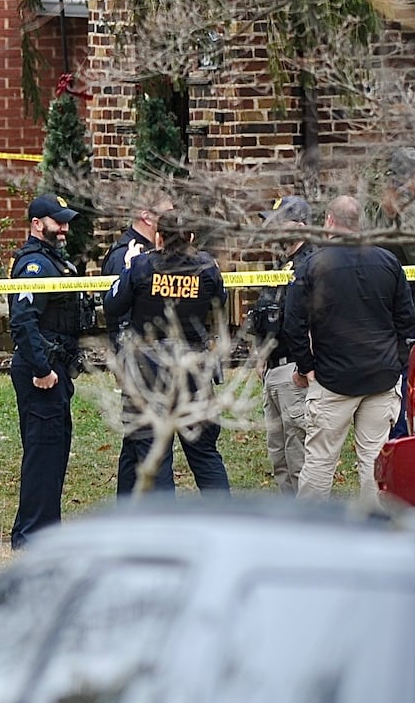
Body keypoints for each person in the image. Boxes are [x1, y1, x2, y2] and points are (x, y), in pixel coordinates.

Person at [283, 196, 415, 507]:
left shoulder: (313, 266)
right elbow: (407, 320)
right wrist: (395, 361)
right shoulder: (388, 262)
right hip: (380, 378)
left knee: (319, 462)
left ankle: (310, 531)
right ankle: (375, 529)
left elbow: (293, 322)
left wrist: (306, 365)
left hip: (332, 378)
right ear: (360, 224)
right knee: (374, 463)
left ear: (329, 221)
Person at [104, 206, 231, 496]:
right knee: (205, 454)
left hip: (149, 370)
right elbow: (220, 302)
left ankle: (164, 533)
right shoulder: (207, 268)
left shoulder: (141, 267)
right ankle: (224, 523)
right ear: (191, 236)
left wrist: (127, 268)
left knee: (156, 453)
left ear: (159, 237)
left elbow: (112, 305)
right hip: (194, 369)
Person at [8, 194, 94, 548]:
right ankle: (32, 538)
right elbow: (22, 320)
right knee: (43, 458)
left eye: (66, 222)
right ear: (37, 224)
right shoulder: (35, 266)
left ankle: (45, 533)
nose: (65, 228)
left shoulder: (55, 262)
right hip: (41, 373)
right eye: (58, 222)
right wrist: (42, 368)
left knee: (53, 455)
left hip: (56, 370)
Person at [101, 194, 176, 494]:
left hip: (149, 362)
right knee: (150, 445)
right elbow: (118, 312)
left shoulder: (153, 253)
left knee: (135, 445)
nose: (175, 218)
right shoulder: (127, 255)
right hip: (140, 364)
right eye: (168, 213)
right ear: (148, 216)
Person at [364, 146, 415, 437]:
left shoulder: (389, 206)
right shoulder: (408, 211)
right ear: (410, 176)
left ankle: (392, 432)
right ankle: (402, 435)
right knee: (411, 374)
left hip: (391, 304)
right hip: (411, 306)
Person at [247, 195, 317, 494]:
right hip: (273, 369)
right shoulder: (282, 265)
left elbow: (312, 320)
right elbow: (266, 314)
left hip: (294, 372)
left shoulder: (312, 264)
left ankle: (309, 522)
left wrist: (305, 365)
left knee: (298, 451)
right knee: (279, 455)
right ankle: (290, 517)